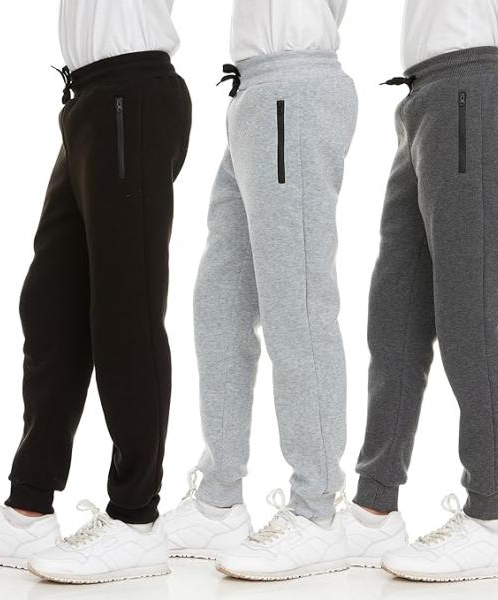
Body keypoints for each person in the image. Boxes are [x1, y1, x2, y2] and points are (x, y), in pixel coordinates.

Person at [0, 0, 191, 585]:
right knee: (51, 308)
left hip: (131, 94)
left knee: (125, 312)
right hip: (88, 101)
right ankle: (29, 509)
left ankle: (136, 521)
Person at [163, 0, 359, 581]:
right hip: (254, 95)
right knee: (219, 302)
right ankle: (219, 499)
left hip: (291, 90)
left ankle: (317, 511)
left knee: (297, 306)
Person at [343, 0, 498, 583]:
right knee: (394, 315)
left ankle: (491, 520)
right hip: (422, 101)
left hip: (469, 90)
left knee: (468, 315)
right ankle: (374, 508)